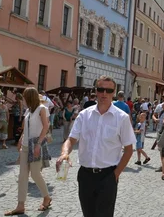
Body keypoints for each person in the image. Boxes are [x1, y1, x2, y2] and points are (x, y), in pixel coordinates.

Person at [56, 76, 135, 217]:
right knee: (88, 214)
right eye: (101, 89)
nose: (104, 93)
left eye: (108, 90)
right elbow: (71, 139)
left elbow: (129, 150)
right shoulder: (84, 115)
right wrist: (64, 153)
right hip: (85, 175)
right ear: (96, 91)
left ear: (113, 93)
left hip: (108, 175)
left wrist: (115, 175)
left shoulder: (121, 118)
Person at [5, 87, 52, 215]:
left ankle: (46, 197)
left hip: (36, 144)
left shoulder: (42, 109)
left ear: (29, 97)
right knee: (22, 176)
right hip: (26, 146)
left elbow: (46, 127)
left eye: (25, 97)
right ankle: (20, 205)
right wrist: (20, 139)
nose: (23, 100)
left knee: (35, 174)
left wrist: (38, 144)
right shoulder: (28, 111)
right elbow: (26, 128)